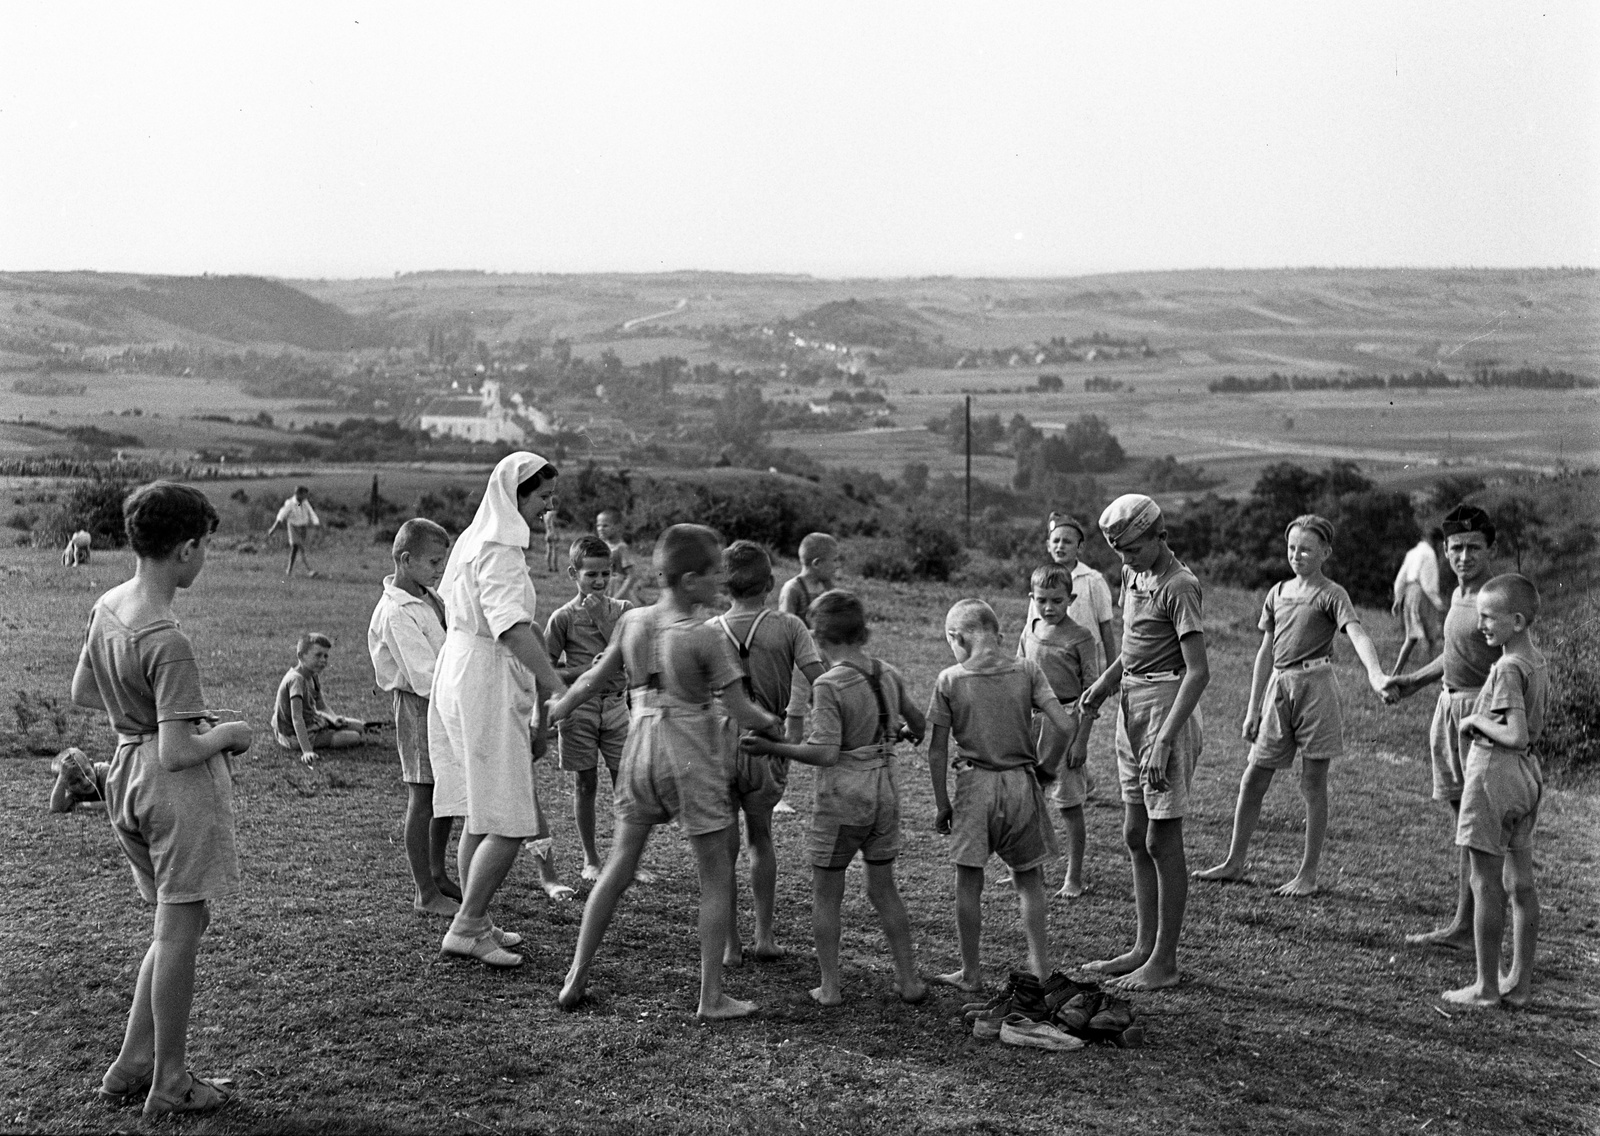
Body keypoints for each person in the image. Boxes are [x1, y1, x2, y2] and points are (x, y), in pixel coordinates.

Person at [548, 524, 785, 1019]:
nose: (721, 580)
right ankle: (711, 997)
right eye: (714, 572)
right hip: (689, 751)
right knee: (715, 873)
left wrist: (558, 708)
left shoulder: (632, 620)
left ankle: (575, 976)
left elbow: (591, 680)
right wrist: (773, 725)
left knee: (619, 866)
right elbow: (740, 709)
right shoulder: (702, 635)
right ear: (691, 580)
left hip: (640, 745)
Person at [69, 481, 252, 1117]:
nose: (205, 557)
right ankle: (170, 1081)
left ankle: (133, 1061)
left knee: (179, 924)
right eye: (205, 546)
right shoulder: (167, 638)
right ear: (185, 548)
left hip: (125, 771)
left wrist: (139, 715)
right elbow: (178, 751)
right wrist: (228, 733)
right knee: (179, 933)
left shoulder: (108, 605)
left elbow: (83, 690)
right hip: (169, 789)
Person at [739, 589, 926, 1005]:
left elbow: (825, 752)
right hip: (886, 791)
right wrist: (898, 731)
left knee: (827, 893)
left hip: (845, 797)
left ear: (819, 638)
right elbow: (918, 722)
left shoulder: (828, 684)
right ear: (864, 633)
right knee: (884, 889)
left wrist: (773, 747)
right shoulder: (887, 672)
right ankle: (909, 980)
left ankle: (830, 986)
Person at [1193, 515, 1389, 897]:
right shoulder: (1277, 592)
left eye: (1306, 550)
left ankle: (1308, 875)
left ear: (1326, 553)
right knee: (1253, 776)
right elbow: (1265, 652)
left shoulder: (1332, 594)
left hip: (1317, 688)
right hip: (1278, 688)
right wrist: (1253, 709)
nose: (1297, 555)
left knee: (1312, 783)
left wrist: (1376, 673)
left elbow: (1357, 634)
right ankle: (1234, 862)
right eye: (1292, 548)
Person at [428, 452, 569, 968]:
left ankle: (477, 917)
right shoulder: (500, 548)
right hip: (482, 677)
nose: (548, 507)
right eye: (543, 497)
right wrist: (556, 687)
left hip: (461, 668)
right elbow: (510, 628)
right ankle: (466, 927)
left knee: (482, 810)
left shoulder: (475, 537)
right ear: (516, 495)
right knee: (509, 817)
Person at [1077, 493, 1209, 992]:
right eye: (1120, 552)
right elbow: (1134, 644)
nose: (1126, 560)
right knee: (1135, 833)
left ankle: (1165, 961)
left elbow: (1198, 672)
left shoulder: (1180, 586)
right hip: (1131, 702)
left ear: (1161, 536)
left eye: (1134, 549)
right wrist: (1105, 683)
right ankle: (1142, 946)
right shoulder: (1134, 575)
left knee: (1161, 838)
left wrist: (1164, 741)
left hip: (1165, 709)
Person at [925, 598, 1083, 992]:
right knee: (1029, 880)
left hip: (974, 786)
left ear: (957, 638)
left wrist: (942, 803)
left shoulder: (950, 680)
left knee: (968, 882)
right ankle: (1041, 969)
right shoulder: (1027, 670)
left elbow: (937, 750)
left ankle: (971, 973)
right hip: (1021, 784)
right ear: (998, 635)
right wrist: (1047, 768)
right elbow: (1065, 725)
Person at [1387, 504, 1501, 951]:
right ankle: (1463, 925)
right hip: (1449, 709)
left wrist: (1497, 718)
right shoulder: (1457, 595)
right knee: (1463, 824)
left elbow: (1517, 662)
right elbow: (1453, 653)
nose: (1463, 557)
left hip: (1480, 717)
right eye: (1456, 548)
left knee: (1481, 830)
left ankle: (1474, 930)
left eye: (1474, 548)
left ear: (1492, 550)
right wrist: (1413, 681)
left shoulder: (1497, 598)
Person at [712, 540, 825, 965]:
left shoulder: (709, 630)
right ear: (771, 583)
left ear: (724, 586)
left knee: (723, 847)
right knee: (761, 836)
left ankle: (730, 944)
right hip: (768, 739)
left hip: (718, 741)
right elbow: (820, 680)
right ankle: (764, 936)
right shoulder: (790, 627)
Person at [1443, 573, 1547, 1009]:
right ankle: (1518, 984)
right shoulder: (1535, 660)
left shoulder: (1506, 667)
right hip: (1527, 776)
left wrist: (1474, 721)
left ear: (1517, 621)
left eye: (1488, 617)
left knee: (1484, 882)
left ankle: (1486, 987)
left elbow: (1515, 734)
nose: (1480, 624)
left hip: (1495, 774)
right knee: (1520, 882)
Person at [366, 518, 460, 916]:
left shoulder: (428, 596)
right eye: (434, 562)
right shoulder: (396, 611)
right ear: (406, 560)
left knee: (445, 790)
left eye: (442, 561)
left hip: (445, 699)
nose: (440, 569)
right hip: (420, 703)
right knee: (422, 795)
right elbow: (424, 676)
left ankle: (437, 873)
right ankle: (425, 892)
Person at [545, 535, 634, 883]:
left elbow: (631, 651)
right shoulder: (563, 618)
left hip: (616, 706)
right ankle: (591, 858)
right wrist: (584, 671)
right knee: (585, 782)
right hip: (579, 709)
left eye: (605, 574)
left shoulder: (623, 610)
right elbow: (546, 669)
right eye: (591, 575)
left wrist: (601, 619)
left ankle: (627, 861)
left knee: (625, 785)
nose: (599, 581)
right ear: (573, 574)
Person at [1017, 563, 1101, 899]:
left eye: (1057, 600)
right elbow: (1018, 675)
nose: (1049, 607)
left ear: (1071, 599)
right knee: (1028, 800)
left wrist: (1081, 741)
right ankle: (1029, 868)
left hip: (1065, 724)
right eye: (1041, 600)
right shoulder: (1030, 630)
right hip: (1031, 722)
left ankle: (1073, 877)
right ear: (1032, 598)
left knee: (1068, 805)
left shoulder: (1081, 637)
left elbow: (1092, 693)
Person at [775, 531, 842, 797]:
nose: (837, 566)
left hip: (822, 665)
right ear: (816, 563)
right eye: (834, 561)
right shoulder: (793, 589)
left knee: (830, 719)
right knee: (793, 730)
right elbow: (785, 627)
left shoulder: (827, 589)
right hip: (797, 669)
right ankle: (778, 791)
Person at [1022, 512, 1118, 672]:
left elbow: (1106, 627)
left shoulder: (1092, 580)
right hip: (1049, 659)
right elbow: (1031, 627)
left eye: (1067, 542)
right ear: (1048, 545)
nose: (1060, 546)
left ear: (1080, 547)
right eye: (1056, 541)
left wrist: (1111, 670)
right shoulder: (1040, 581)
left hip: (1084, 660)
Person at [273, 633, 370, 764]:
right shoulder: (296, 680)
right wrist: (307, 751)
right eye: (318, 655)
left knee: (359, 726)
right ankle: (318, 738)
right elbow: (297, 718)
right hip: (293, 736)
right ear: (301, 656)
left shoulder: (312, 675)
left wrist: (333, 718)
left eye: (326, 656)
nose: (323, 660)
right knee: (354, 737)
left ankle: (326, 729)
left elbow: (321, 706)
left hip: (312, 722)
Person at [1391, 527, 1446, 674]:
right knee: (1429, 634)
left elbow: (1401, 577)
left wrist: (1398, 598)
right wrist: (1438, 603)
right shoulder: (1429, 554)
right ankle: (1428, 670)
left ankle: (1398, 670)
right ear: (1436, 541)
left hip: (1409, 593)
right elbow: (1428, 582)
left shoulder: (1413, 553)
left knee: (1413, 635)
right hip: (1421, 594)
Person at [265, 485, 321, 578]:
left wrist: (316, 523)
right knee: (300, 547)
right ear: (298, 494)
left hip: (302, 527)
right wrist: (273, 529)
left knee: (295, 549)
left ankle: (289, 570)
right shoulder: (290, 503)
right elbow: (281, 516)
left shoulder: (304, 503)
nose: (306, 496)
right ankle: (309, 570)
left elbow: (311, 512)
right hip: (293, 527)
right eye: (304, 494)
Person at [596, 509, 641, 603]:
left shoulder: (621, 548)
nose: (600, 529)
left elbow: (632, 576)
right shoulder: (602, 546)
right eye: (598, 525)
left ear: (617, 527)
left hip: (618, 592)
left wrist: (616, 598)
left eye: (605, 525)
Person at [49, 746, 108, 813]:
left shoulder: (104, 772)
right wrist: (62, 777)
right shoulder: (72, 791)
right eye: (75, 781)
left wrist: (79, 805)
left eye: (87, 774)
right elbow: (56, 808)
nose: (85, 782)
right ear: (66, 786)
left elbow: (113, 804)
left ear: (91, 765)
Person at [542, 497, 561, 573]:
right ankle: (555, 567)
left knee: (548, 551)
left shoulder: (545, 513)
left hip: (547, 533)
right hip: (553, 534)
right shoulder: (553, 513)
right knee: (555, 551)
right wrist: (556, 535)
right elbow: (553, 524)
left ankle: (549, 567)